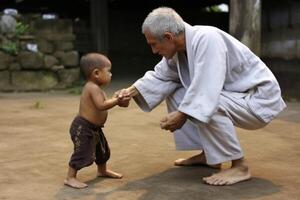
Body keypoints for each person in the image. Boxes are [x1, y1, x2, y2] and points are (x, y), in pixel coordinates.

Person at [119, 7, 286, 186]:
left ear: (168, 37)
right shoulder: (178, 51)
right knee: (179, 91)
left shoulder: (207, 38)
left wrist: (182, 114)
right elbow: (161, 76)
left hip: (258, 100)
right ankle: (210, 155)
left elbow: (208, 88)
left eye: (153, 44)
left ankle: (240, 165)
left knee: (207, 102)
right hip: (237, 98)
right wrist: (130, 91)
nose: (153, 50)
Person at [64, 53, 130, 189]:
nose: (111, 74)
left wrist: (117, 99)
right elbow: (101, 105)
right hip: (83, 127)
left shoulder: (97, 89)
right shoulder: (91, 88)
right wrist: (117, 100)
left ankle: (102, 170)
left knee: (102, 150)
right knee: (82, 152)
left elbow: (105, 103)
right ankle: (70, 177)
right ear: (96, 73)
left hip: (95, 128)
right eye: (108, 71)